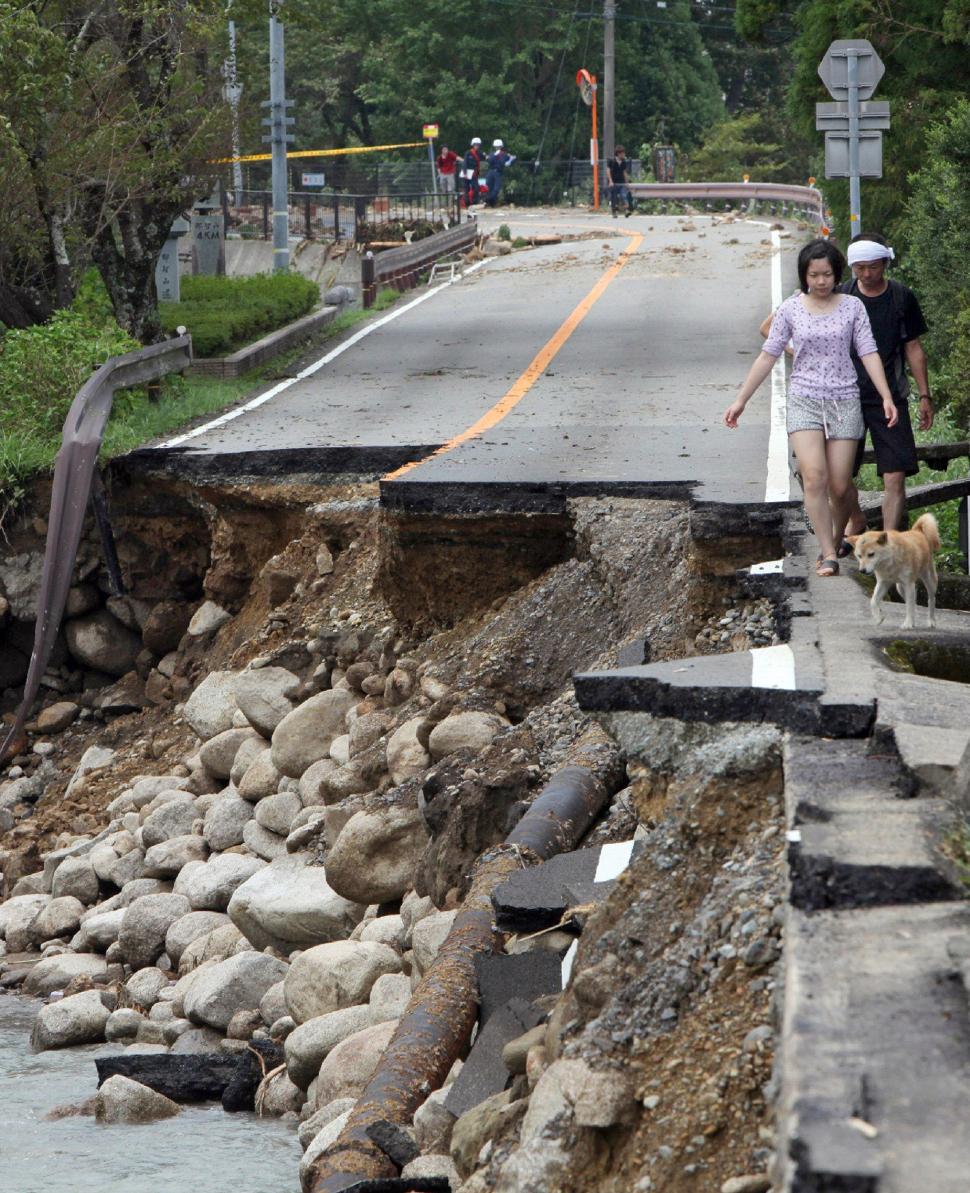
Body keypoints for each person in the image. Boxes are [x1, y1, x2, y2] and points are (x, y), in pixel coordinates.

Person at [724, 239, 898, 577]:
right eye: (814, 275)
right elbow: (768, 354)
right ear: (804, 275)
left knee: (840, 484)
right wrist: (740, 400)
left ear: (837, 274)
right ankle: (829, 552)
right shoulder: (791, 309)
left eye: (827, 275)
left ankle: (836, 537)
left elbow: (868, 352)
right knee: (814, 476)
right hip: (804, 399)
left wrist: (886, 396)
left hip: (845, 400)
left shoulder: (852, 307)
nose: (821, 282)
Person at [837, 233, 932, 539]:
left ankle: (889, 541)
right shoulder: (842, 297)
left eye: (874, 267)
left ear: (885, 264)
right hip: (847, 396)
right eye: (860, 267)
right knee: (838, 475)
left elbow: (913, 347)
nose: (867, 273)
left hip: (890, 396)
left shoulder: (901, 297)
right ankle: (856, 518)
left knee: (895, 474)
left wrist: (924, 396)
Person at [485, 139, 516, 207]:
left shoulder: (504, 154)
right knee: (489, 187)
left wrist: (511, 159)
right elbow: (490, 161)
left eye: (498, 146)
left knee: (496, 188)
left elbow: (509, 162)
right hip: (491, 171)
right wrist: (493, 156)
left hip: (498, 172)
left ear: (501, 147)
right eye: (496, 146)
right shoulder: (492, 154)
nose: (497, 148)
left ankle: (490, 200)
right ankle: (490, 202)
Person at [605, 145, 635, 217]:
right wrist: (610, 181)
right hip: (614, 183)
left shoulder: (623, 162)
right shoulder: (611, 161)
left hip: (621, 182)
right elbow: (608, 171)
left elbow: (624, 172)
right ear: (618, 154)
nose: (624, 155)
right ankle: (614, 211)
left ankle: (626, 210)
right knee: (614, 197)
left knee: (623, 195)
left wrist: (627, 182)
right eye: (622, 153)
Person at [462, 137, 484, 208]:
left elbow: (484, 157)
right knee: (466, 188)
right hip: (467, 173)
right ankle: (466, 202)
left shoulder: (480, 153)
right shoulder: (468, 153)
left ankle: (474, 201)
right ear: (473, 145)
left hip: (474, 173)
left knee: (476, 187)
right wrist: (465, 172)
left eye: (478, 145)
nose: (477, 146)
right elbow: (465, 163)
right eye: (476, 145)